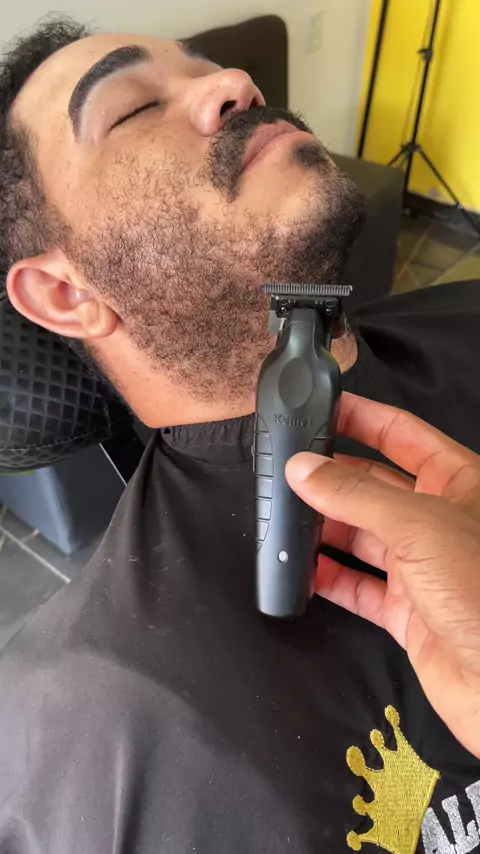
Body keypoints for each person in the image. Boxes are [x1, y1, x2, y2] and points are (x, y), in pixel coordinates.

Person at [0, 15, 479, 854]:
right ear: (65, 294)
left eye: (210, 67)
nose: (237, 85)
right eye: (131, 109)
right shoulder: (82, 726)